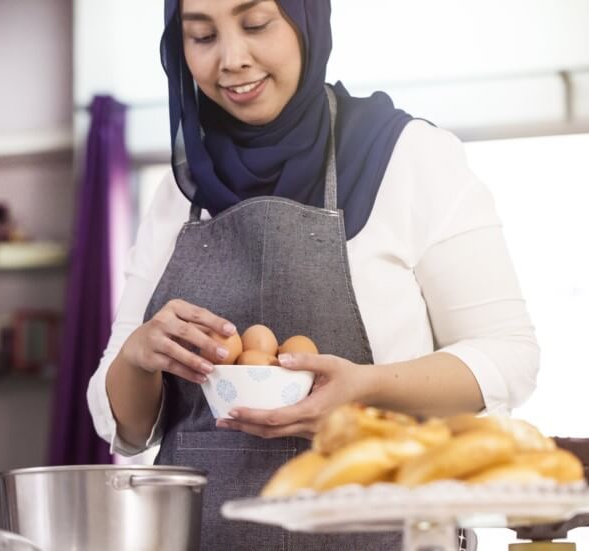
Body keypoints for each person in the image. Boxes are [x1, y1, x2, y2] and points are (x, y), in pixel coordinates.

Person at [87, 0, 539, 549]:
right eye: (202, 36)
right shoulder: (179, 193)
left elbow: (508, 357)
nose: (231, 59)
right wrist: (139, 355)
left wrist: (365, 390)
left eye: (256, 25)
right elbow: (128, 430)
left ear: (306, 22)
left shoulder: (408, 156)